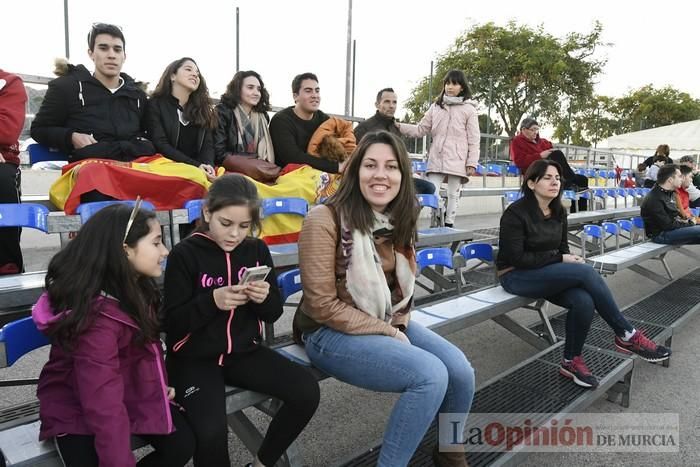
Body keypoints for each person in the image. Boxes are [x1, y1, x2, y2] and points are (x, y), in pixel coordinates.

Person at [294, 131, 475, 467]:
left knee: (460, 371)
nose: (381, 174)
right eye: (371, 165)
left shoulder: (398, 218)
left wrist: (397, 324)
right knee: (430, 375)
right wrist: (390, 332)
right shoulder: (324, 219)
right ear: (355, 171)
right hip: (327, 331)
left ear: (402, 176)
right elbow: (320, 305)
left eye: (391, 167)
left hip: (385, 318)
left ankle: (450, 452)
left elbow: (401, 293)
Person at [163, 174, 320, 467]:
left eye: (244, 226)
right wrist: (212, 301)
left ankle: (262, 462)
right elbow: (171, 323)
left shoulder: (256, 250)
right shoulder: (184, 254)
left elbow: (273, 313)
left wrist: (264, 298)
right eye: (226, 224)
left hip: (244, 352)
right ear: (208, 213)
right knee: (210, 435)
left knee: (306, 391)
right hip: (194, 360)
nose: (234, 234)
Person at [33, 203, 195, 467]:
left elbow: (142, 351)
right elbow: (102, 403)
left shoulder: (134, 286)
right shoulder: (96, 321)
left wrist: (155, 383)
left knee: (181, 443)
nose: (165, 251)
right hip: (76, 410)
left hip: (123, 389)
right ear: (125, 250)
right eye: (156, 243)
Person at [498, 159, 671, 389]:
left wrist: (567, 259)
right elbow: (516, 258)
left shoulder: (558, 210)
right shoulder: (515, 214)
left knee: (584, 300)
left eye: (557, 178)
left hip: (546, 271)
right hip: (516, 275)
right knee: (585, 273)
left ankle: (570, 361)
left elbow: (562, 249)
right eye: (548, 178)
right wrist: (562, 261)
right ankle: (626, 334)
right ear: (531, 183)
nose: (555, 182)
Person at [31, 23, 153, 163]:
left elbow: (149, 135)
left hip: (136, 166)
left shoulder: (137, 95)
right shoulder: (67, 87)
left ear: (124, 56)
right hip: (91, 168)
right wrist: (71, 136)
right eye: (103, 48)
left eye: (117, 49)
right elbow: (39, 129)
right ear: (91, 53)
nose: (111, 55)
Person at [397, 70, 480, 227]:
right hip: (437, 157)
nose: (450, 87)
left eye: (454, 84)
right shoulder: (436, 107)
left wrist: (472, 162)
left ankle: (449, 223)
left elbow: (474, 139)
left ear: (462, 87)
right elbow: (420, 129)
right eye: (447, 83)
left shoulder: (469, 110)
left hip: (458, 159)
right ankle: (438, 218)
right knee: (432, 190)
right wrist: (398, 126)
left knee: (453, 194)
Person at [355, 87, 435, 195]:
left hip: (397, 177)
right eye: (387, 102)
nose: (391, 106)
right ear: (377, 105)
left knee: (428, 188)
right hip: (374, 177)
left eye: (394, 102)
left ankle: (402, 211)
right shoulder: (364, 128)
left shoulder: (396, 128)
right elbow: (355, 159)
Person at [147, 57, 217, 180]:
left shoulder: (203, 110)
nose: (195, 74)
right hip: (167, 168)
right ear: (173, 76)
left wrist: (208, 166)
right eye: (188, 69)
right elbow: (160, 143)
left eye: (197, 73)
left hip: (199, 169)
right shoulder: (155, 104)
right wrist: (196, 166)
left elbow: (208, 146)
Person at [269, 72, 345, 173]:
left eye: (317, 91)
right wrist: (335, 167)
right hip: (289, 176)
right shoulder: (281, 121)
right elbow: (292, 157)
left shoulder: (324, 119)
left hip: (319, 174)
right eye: (308, 91)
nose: (315, 95)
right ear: (295, 96)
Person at [510, 117, 588, 211]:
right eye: (532, 130)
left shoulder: (541, 141)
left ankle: (580, 213)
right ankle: (569, 181)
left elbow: (550, 146)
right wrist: (540, 155)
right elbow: (519, 161)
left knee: (583, 180)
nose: (535, 132)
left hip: (550, 170)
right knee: (557, 154)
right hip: (535, 171)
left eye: (537, 129)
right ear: (523, 130)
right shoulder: (517, 142)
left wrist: (550, 150)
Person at [214, 70, 275, 166]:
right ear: (237, 89)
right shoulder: (223, 112)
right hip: (230, 168)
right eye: (250, 88)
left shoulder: (263, 117)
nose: (256, 93)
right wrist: (253, 160)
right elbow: (219, 152)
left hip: (259, 168)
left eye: (259, 89)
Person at [0, 69, 27, 275]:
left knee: (2, 178)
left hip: (3, 165)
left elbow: (6, 130)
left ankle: (7, 265)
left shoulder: (9, 82)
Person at [641, 164, 700, 244]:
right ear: (670, 180)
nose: (682, 179)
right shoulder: (654, 198)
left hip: (671, 230)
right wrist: (691, 223)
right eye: (679, 176)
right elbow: (668, 225)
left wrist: (688, 221)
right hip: (661, 235)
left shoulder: (668, 193)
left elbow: (675, 215)